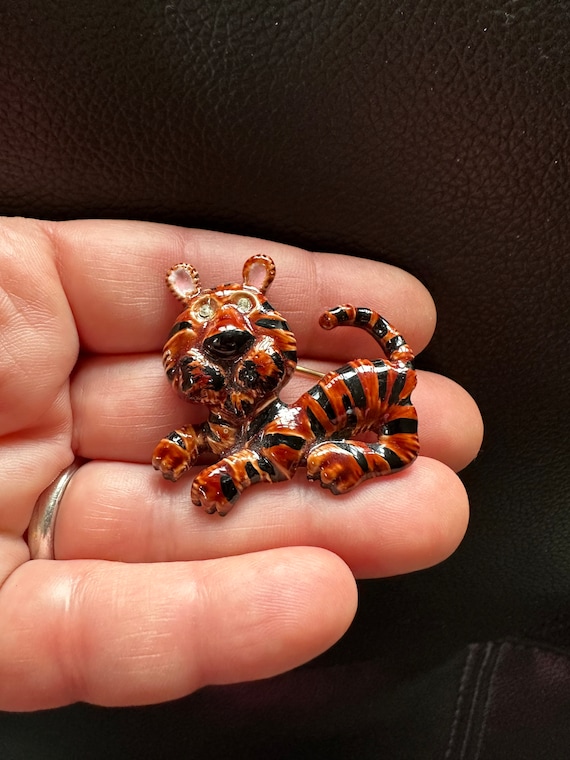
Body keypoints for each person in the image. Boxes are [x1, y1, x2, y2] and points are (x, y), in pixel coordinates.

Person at [0, 216, 482, 711]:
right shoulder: (225, 413)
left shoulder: (299, 412)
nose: (227, 335)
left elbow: (276, 449)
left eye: (243, 322)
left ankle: (365, 457)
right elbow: (225, 436)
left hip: (367, 406)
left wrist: (237, 472)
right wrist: (189, 441)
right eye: (208, 321)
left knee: (386, 446)